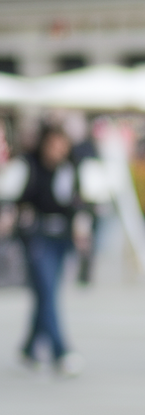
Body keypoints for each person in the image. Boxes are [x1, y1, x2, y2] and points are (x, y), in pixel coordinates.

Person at [9, 123, 88, 374]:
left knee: (47, 292)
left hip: (61, 238)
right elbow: (16, 196)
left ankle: (30, 347)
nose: (57, 150)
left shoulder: (70, 168)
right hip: (37, 236)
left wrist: (81, 228)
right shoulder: (29, 166)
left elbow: (76, 202)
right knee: (47, 291)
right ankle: (60, 350)